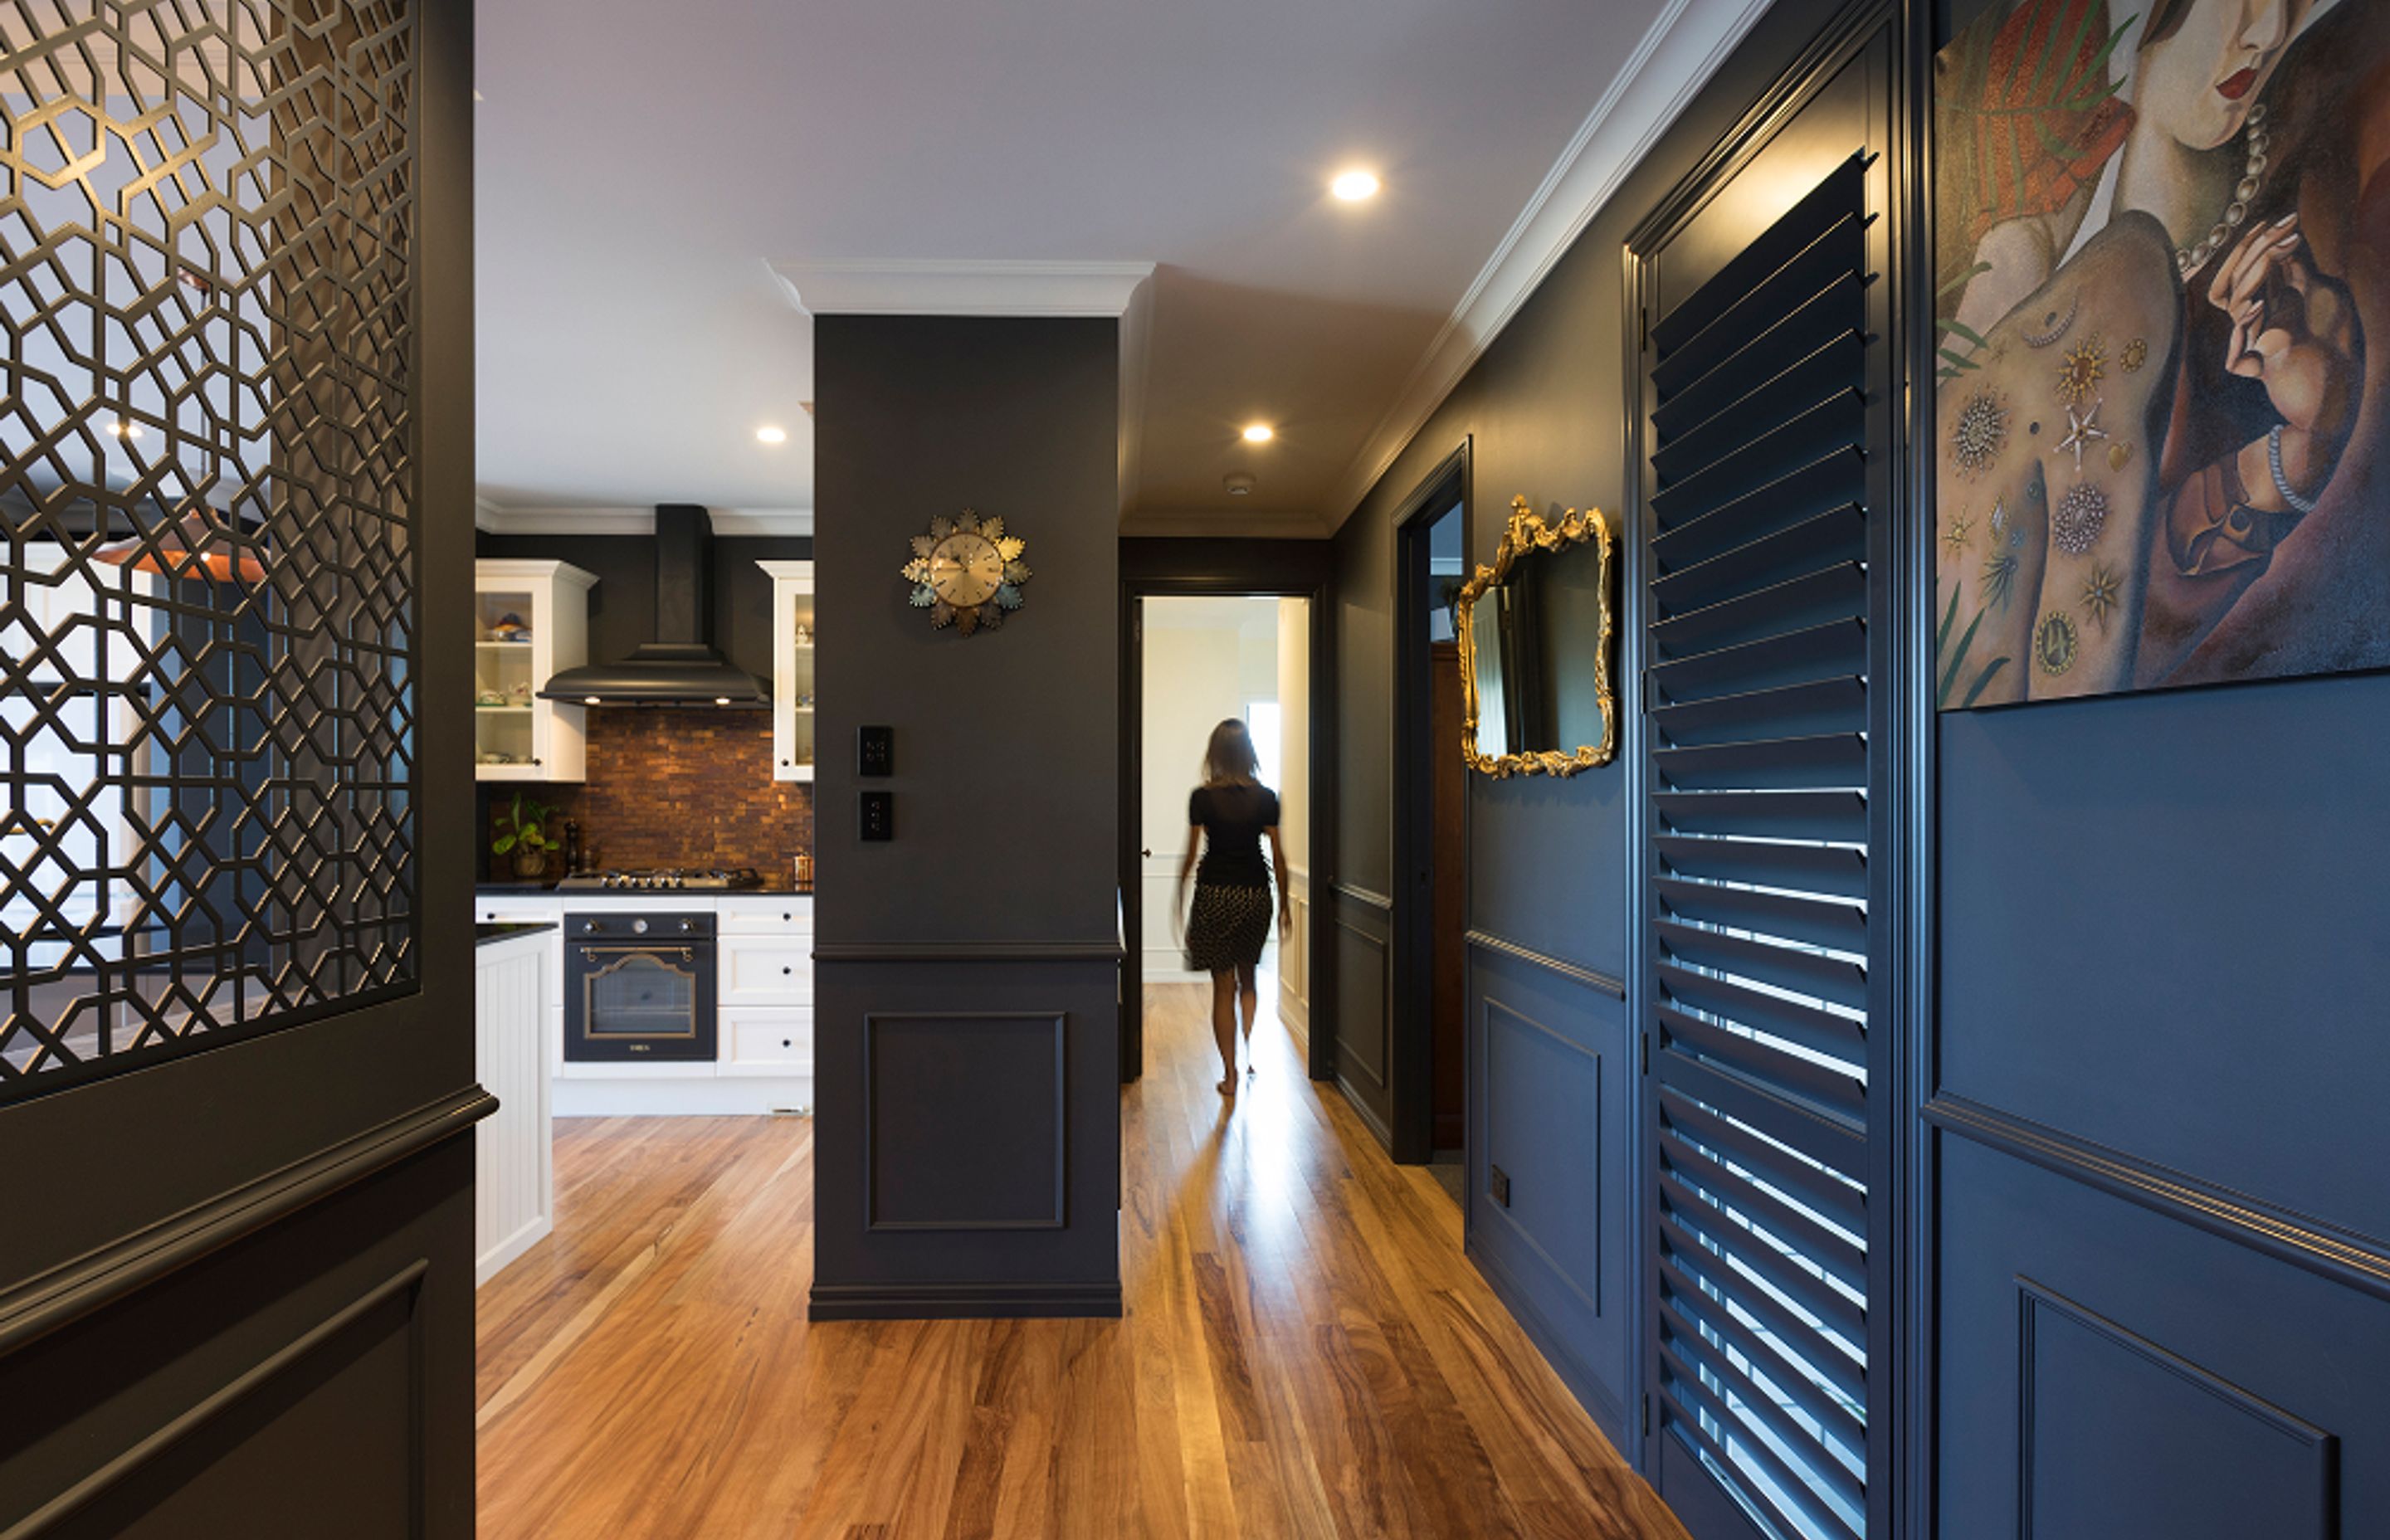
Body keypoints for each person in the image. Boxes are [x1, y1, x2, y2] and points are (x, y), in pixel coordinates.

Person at [1176, 719, 1292, 1096]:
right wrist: (1285, 905)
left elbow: (1192, 855)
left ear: (1216, 753)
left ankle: (1230, 1074)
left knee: (1222, 988)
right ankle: (1247, 1048)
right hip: (1255, 894)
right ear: (1249, 753)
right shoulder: (1266, 797)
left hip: (1215, 895)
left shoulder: (1203, 798)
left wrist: (1179, 896)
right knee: (1249, 978)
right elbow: (1277, 854)